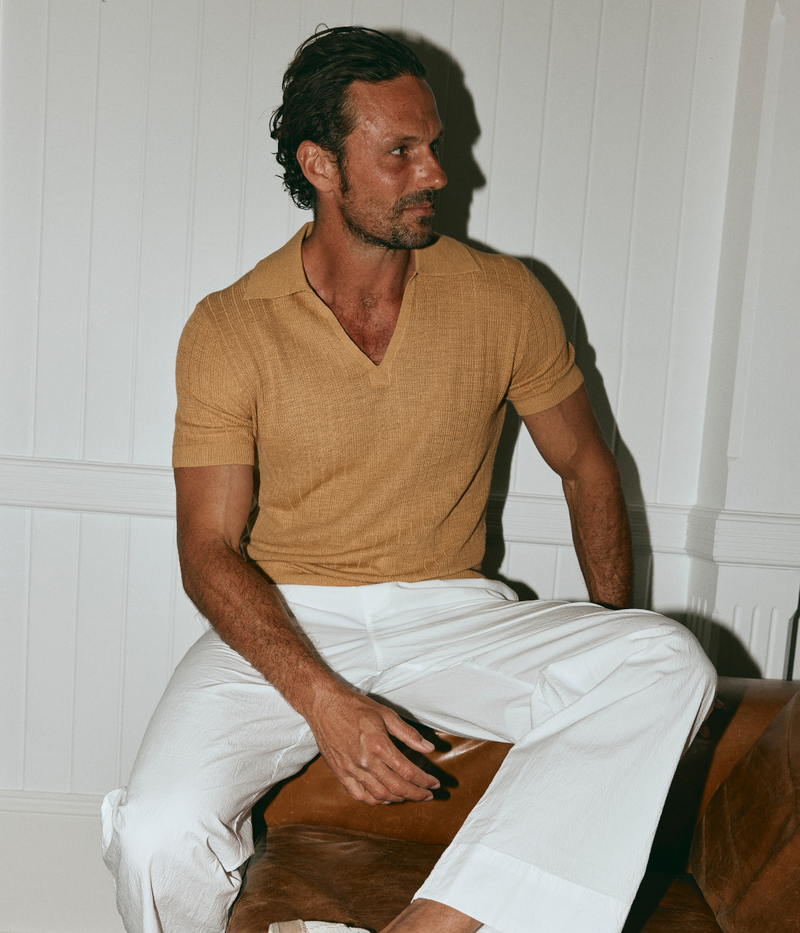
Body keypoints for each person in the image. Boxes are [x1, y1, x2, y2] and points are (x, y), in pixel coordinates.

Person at [101, 26, 716, 933]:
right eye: (400, 152)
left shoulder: (505, 295)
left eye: (435, 146)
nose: (436, 173)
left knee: (664, 659)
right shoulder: (230, 325)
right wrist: (323, 698)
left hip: (451, 610)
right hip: (285, 616)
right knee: (157, 834)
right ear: (320, 163)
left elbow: (588, 467)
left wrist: (601, 621)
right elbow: (207, 551)